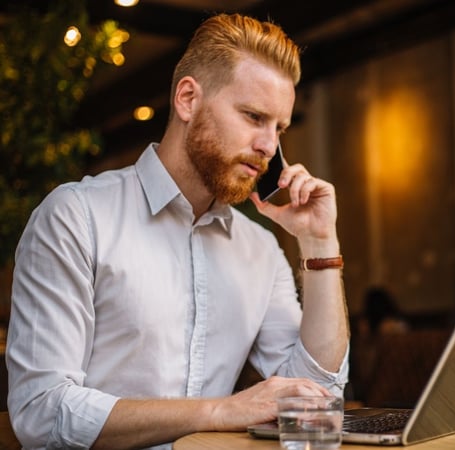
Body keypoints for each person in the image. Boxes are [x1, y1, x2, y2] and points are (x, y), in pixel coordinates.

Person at [6, 13, 349, 450]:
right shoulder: (75, 217)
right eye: (253, 116)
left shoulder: (260, 248)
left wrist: (320, 243)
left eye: (278, 128)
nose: (269, 147)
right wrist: (222, 411)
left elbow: (317, 401)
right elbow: (41, 412)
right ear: (187, 99)